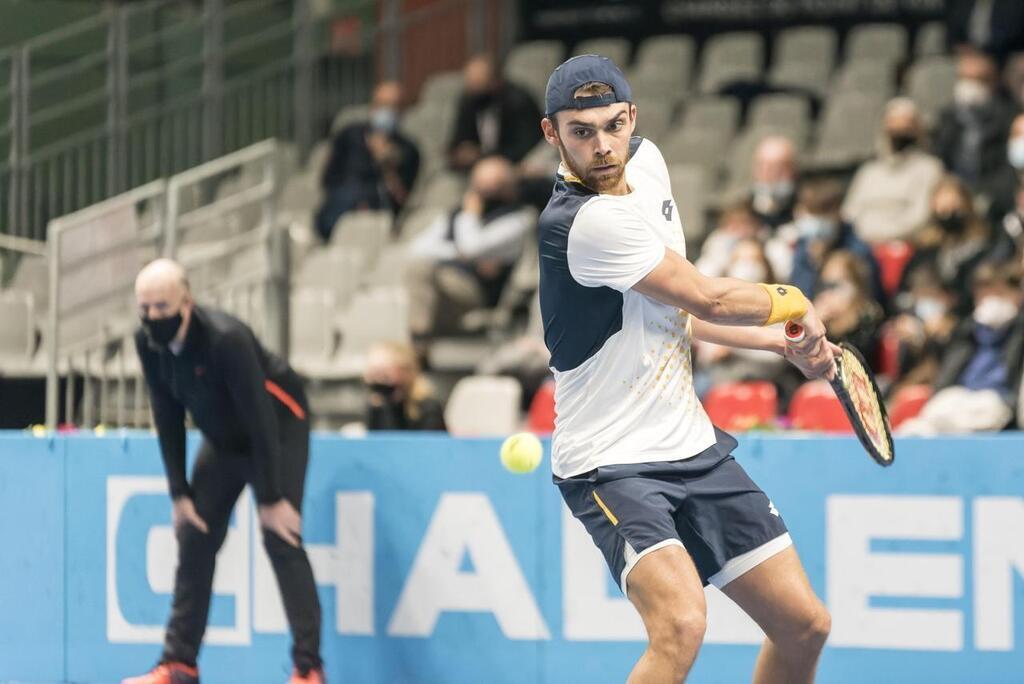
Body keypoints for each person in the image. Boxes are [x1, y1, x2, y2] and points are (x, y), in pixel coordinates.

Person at [538, 54, 835, 684]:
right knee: (680, 625)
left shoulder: (648, 165)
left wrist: (777, 343)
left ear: (633, 119)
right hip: (610, 462)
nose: (602, 145)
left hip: (693, 447)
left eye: (613, 125)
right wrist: (793, 302)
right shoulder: (581, 222)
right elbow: (706, 295)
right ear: (552, 134)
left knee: (804, 627)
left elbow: (677, 313)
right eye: (581, 131)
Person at [124, 259, 323, 684]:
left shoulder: (225, 339)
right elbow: (167, 414)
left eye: (162, 307)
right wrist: (179, 492)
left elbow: (261, 419)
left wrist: (270, 498)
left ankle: (308, 669)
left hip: (278, 427)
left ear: (187, 302)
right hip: (224, 439)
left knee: (280, 537)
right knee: (195, 534)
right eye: (145, 309)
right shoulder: (147, 344)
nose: (153, 318)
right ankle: (178, 665)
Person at [407, 155, 536, 336]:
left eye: (493, 187)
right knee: (418, 268)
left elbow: (472, 247)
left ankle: (419, 341)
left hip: (479, 291)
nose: (484, 193)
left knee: (422, 272)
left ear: (509, 188)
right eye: (480, 186)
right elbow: (417, 248)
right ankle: (420, 338)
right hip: (446, 282)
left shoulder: (520, 218)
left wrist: (470, 215)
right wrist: (458, 253)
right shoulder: (456, 215)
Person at [899, 261, 1024, 434]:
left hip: (998, 398)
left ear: (1017, 294)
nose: (991, 299)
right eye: (984, 293)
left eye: (999, 293)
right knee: (925, 420)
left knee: (973, 416)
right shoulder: (966, 329)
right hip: (960, 394)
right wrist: (933, 340)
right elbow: (945, 372)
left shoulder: (1019, 331)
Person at [315, 81, 420, 241]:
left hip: (378, 214)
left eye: (393, 106)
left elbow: (401, 199)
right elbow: (329, 179)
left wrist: (386, 163)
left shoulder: (409, 150)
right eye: (382, 105)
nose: (387, 111)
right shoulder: (349, 134)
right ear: (373, 106)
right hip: (341, 206)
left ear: (402, 111)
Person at [841, 98, 945, 244]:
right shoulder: (868, 172)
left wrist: (884, 237)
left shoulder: (930, 168)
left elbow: (921, 216)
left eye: (906, 124)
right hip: (864, 244)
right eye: (893, 123)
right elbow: (850, 213)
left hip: (907, 244)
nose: (899, 129)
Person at [933, 50, 1019, 213]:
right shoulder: (949, 117)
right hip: (953, 192)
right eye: (964, 78)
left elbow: (1011, 168)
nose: (969, 86)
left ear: (993, 82)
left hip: (993, 195)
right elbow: (939, 157)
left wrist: (981, 195)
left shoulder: (1010, 115)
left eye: (977, 80)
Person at [900, 175, 993, 314]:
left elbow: (975, 290)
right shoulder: (925, 250)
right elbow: (903, 290)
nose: (949, 217)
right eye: (943, 211)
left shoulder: (983, 247)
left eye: (954, 209)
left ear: (967, 207)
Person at [784, 178, 884, 303]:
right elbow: (800, 295)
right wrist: (814, 263)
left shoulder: (859, 250)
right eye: (812, 213)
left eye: (822, 213)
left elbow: (868, 298)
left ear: (838, 212)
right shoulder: (804, 246)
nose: (816, 220)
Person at [448, 54, 543, 172]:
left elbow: (526, 148)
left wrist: (481, 155)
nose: (473, 89)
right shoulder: (469, 101)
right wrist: (460, 154)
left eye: (479, 83)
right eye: (471, 84)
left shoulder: (519, 102)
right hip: (473, 168)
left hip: (515, 168)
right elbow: (456, 141)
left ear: (495, 81)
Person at [811, 250, 885, 362]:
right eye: (824, 286)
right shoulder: (826, 319)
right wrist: (814, 323)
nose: (827, 294)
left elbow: (854, 359)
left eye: (834, 286)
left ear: (855, 285)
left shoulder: (870, 314)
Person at [362, 341, 445, 431]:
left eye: (384, 373)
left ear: (406, 372)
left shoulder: (429, 408)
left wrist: (388, 407)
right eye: (372, 372)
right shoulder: (376, 406)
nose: (378, 379)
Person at [749, 136, 799, 230]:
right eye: (762, 166)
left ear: (793, 169)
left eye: (779, 167)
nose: (769, 173)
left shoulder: (805, 205)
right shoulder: (744, 208)